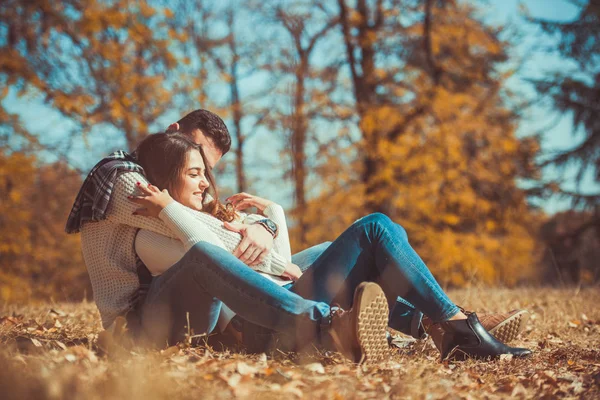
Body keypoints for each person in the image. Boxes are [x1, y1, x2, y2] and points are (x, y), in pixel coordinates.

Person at [65, 109, 529, 362]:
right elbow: (220, 246)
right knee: (209, 254)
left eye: (208, 169)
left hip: (248, 306)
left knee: (367, 232)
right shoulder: (131, 187)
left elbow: (238, 238)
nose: (208, 180)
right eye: (197, 167)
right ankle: (332, 324)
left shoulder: (176, 207)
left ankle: (443, 323)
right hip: (165, 324)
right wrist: (257, 240)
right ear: (172, 148)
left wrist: (269, 224)